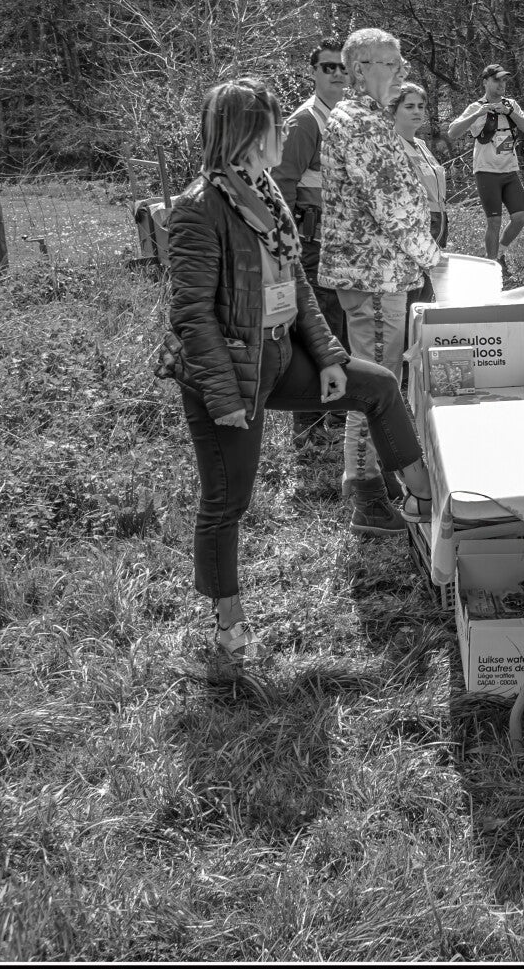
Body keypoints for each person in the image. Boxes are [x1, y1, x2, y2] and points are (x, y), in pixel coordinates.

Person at [165, 78, 440, 659]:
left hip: (281, 356)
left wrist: (330, 357)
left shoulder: (265, 193)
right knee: (227, 501)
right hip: (232, 375)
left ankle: (425, 501)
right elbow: (192, 316)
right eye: (276, 125)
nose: (286, 133)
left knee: (377, 385)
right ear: (247, 134)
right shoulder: (197, 208)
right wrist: (225, 399)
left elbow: (297, 290)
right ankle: (227, 626)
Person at [321, 29, 449, 530]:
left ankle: (377, 477)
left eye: (400, 63)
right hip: (373, 274)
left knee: (381, 384)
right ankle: (367, 497)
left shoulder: (369, 119)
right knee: (374, 387)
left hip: (379, 271)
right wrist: (434, 259)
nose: (399, 71)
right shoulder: (359, 123)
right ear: (360, 69)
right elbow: (393, 205)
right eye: (390, 64)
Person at [275, 36, 352, 449]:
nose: (337, 73)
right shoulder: (306, 121)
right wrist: (287, 247)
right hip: (311, 246)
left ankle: (335, 416)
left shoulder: (342, 118)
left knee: (339, 331)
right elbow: (281, 187)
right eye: (328, 67)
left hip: (340, 246)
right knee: (315, 335)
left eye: (343, 67)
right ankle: (306, 430)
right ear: (313, 72)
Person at [447, 64, 524, 277]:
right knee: (494, 221)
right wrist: (477, 114)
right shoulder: (475, 107)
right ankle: (492, 267)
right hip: (486, 171)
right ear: (485, 82)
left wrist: (510, 112)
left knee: (520, 218)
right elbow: (452, 132)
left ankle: (500, 253)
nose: (501, 84)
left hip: (510, 170)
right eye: (497, 80)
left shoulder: (511, 104)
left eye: (504, 80)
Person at [388, 80, 448, 307]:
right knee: (412, 297)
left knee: (427, 296)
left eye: (421, 106)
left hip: (437, 225)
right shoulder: (390, 145)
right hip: (414, 228)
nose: (417, 111)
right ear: (393, 110)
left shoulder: (421, 144)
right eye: (409, 106)